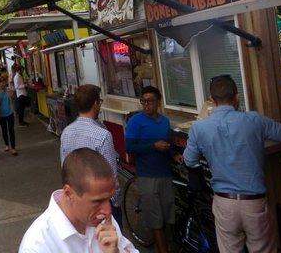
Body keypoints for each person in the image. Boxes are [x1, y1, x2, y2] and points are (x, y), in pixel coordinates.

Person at [183, 75, 281, 252]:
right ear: (236, 97)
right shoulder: (255, 121)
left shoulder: (199, 128)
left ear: (212, 101)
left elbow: (190, 160)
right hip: (254, 203)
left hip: (224, 204)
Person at [19, 148, 138, 253]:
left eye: (109, 198)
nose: (108, 211)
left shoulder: (103, 220)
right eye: (97, 202)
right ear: (68, 193)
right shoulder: (38, 246)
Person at [125, 86, 182, 253]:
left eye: (150, 101)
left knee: (166, 216)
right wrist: (153, 146)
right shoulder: (136, 122)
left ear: (159, 102)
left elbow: (167, 143)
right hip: (147, 175)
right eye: (143, 101)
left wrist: (173, 155)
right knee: (155, 219)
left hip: (164, 173)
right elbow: (129, 147)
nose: (146, 105)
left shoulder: (164, 121)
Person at [60, 84, 122, 228]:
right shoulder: (103, 135)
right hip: (102, 202)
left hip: (78, 199)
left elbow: (64, 169)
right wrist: (115, 202)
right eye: (99, 102)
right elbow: (111, 175)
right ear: (95, 104)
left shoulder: (66, 132)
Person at [0, 76, 18, 156]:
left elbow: (13, 98)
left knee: (11, 130)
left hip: (10, 112)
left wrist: (12, 94)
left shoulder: (8, 90)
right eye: (1, 82)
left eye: (4, 82)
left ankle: (13, 147)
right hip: (1, 114)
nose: (2, 83)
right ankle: (6, 145)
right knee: (4, 130)